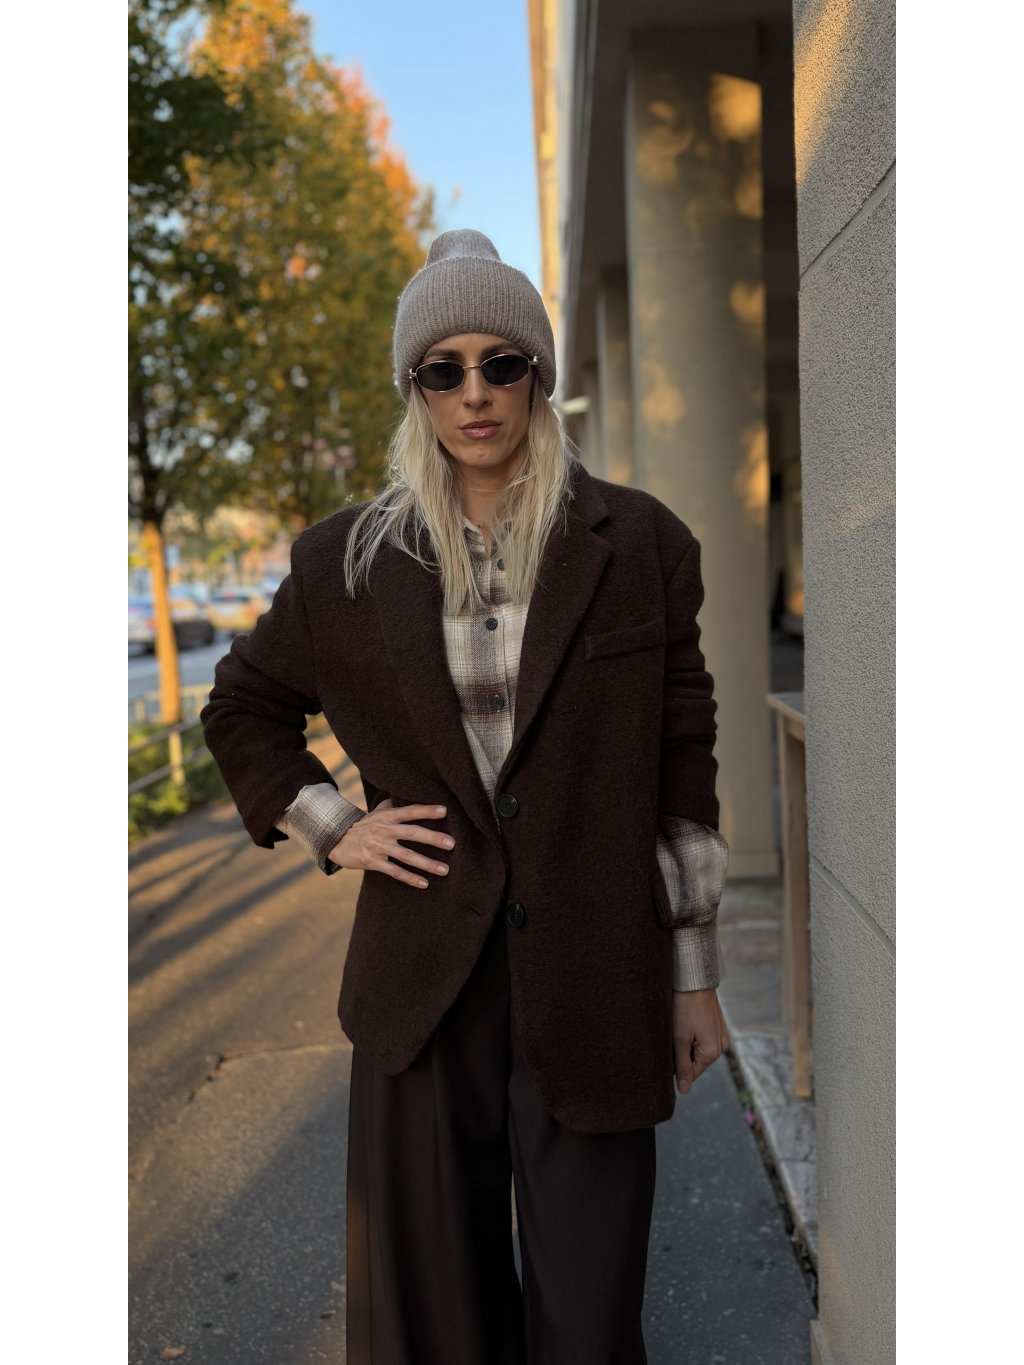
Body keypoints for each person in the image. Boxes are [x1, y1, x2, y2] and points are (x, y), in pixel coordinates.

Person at [201, 229, 731, 1365]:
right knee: (431, 1325)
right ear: (416, 388)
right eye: (443, 369)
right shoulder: (343, 562)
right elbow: (241, 708)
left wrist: (695, 977)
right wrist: (337, 827)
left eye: (502, 362)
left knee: (590, 1323)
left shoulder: (640, 543)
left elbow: (681, 763)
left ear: (539, 375)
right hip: (421, 985)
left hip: (597, 973)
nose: (475, 392)